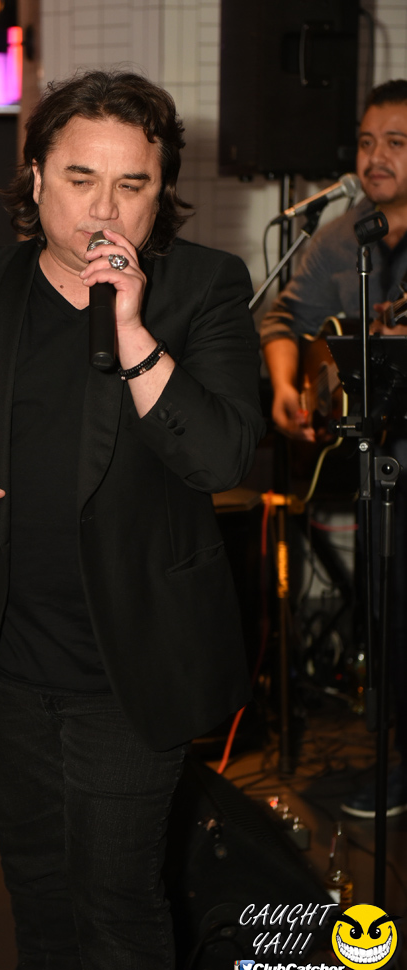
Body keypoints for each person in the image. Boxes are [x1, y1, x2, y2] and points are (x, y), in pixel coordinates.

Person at [0, 70, 264, 970]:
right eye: (81, 178)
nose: (104, 208)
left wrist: (129, 330)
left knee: (116, 908)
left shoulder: (202, 286)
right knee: (40, 901)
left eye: (132, 185)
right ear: (36, 178)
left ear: (160, 192)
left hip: (125, 668)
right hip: (4, 659)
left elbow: (221, 458)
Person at [260, 79, 407, 818]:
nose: (375, 157)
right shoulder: (343, 232)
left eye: (396, 143)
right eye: (366, 142)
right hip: (377, 465)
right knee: (386, 611)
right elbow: (283, 317)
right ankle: (395, 759)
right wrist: (288, 386)